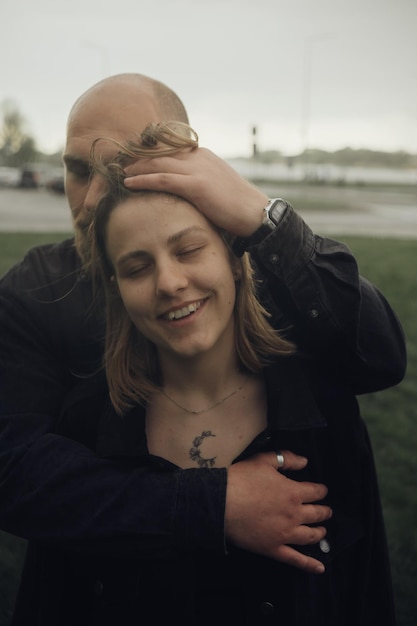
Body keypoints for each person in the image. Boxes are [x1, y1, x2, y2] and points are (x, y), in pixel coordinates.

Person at [0, 75, 405, 624]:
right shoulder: (35, 294)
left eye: (120, 168)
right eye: (76, 170)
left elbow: (379, 354)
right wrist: (212, 506)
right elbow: (14, 470)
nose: (93, 198)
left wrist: (266, 220)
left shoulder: (269, 306)